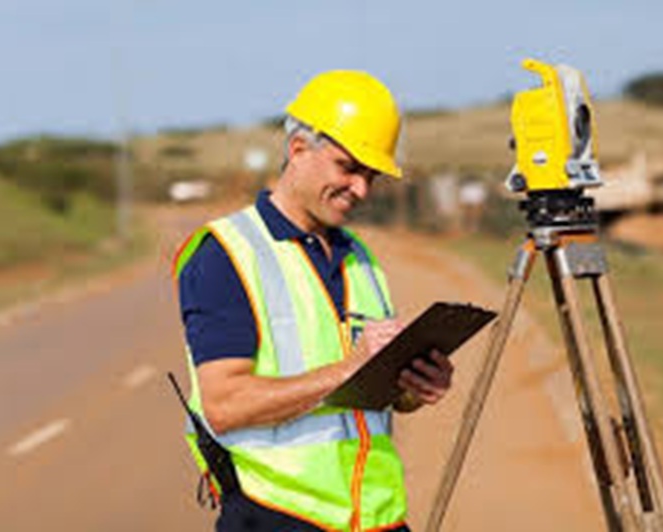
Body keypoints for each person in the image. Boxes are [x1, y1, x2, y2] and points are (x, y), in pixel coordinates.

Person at [173, 70, 455, 532]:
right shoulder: (227, 254)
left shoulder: (359, 258)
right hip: (278, 517)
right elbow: (223, 404)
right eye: (348, 167)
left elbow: (370, 398)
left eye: (371, 175)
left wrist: (413, 388)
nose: (361, 189)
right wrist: (350, 369)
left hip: (377, 517)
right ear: (298, 149)